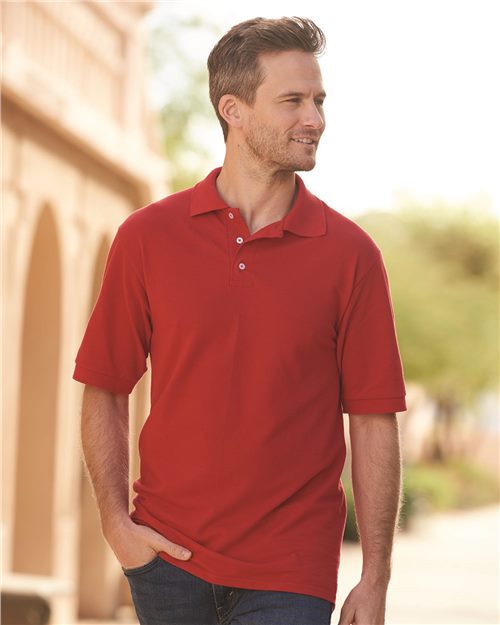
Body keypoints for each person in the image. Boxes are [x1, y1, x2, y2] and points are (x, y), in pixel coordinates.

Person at [74, 16, 406, 625]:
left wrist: (376, 576)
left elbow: (374, 418)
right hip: (167, 560)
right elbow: (104, 384)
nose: (316, 119)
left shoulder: (350, 254)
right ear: (234, 110)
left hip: (291, 568)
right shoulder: (148, 237)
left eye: (319, 100)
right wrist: (116, 524)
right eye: (293, 102)